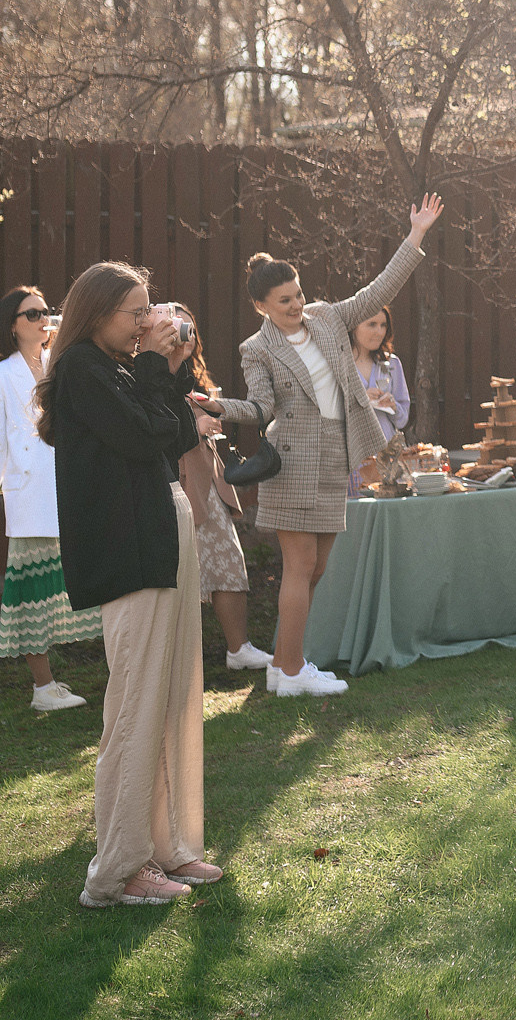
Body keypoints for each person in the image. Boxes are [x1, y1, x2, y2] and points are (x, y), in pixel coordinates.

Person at [207, 195, 444, 697]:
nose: (295, 306)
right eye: (283, 301)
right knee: (299, 566)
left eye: (297, 295)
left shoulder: (328, 318)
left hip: (336, 457)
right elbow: (260, 409)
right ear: (261, 307)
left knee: (317, 568)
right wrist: (216, 406)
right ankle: (291, 672)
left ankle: (285, 663)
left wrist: (416, 233)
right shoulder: (257, 349)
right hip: (292, 462)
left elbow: (381, 288)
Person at [39, 261, 216, 907]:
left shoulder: (118, 367)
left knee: (169, 698)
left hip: (157, 536)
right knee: (135, 708)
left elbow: (169, 434)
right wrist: (151, 364)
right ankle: (115, 872)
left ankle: (166, 846)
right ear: (97, 313)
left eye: (149, 310)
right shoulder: (84, 369)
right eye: (136, 312)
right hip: (125, 549)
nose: (148, 321)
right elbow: (141, 438)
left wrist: (166, 368)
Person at [0, 287, 98, 712]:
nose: (43, 319)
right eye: (31, 313)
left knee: (95, 580)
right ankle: (43, 687)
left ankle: (123, 672)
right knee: (34, 594)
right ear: (11, 325)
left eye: (46, 312)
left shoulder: (66, 365)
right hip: (31, 500)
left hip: (75, 492)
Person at [159, 305, 271, 674]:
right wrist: (199, 425)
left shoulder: (193, 374)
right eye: (174, 327)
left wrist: (208, 422)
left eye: (188, 325)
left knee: (227, 561)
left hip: (208, 480)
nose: (184, 333)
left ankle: (238, 649)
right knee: (178, 574)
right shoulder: (150, 374)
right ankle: (176, 660)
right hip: (178, 484)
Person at [350, 305, 412, 492]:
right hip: (354, 456)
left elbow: (402, 420)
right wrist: (360, 400)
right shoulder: (340, 365)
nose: (379, 332)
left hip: (387, 456)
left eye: (383, 325)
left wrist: (393, 405)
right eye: (372, 324)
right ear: (354, 326)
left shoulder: (391, 364)